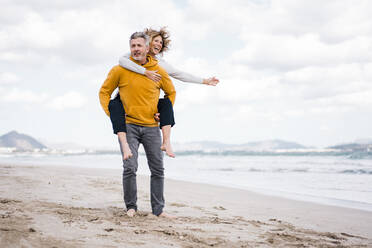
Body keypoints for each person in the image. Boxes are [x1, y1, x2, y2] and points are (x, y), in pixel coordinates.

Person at [110, 27, 219, 160]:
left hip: (147, 108)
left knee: (166, 103)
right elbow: (121, 61)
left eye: (161, 42)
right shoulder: (131, 57)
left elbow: (180, 74)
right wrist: (145, 72)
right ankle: (125, 145)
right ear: (147, 42)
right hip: (126, 102)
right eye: (155, 40)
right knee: (115, 104)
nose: (158, 44)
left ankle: (166, 142)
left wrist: (204, 81)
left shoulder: (160, 65)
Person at [99, 32, 176, 218]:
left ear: (147, 48)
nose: (135, 49)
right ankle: (131, 207)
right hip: (129, 126)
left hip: (151, 127)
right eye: (132, 46)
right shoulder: (119, 70)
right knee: (130, 168)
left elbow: (171, 92)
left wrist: (162, 113)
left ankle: (159, 210)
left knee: (158, 169)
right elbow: (104, 92)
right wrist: (113, 115)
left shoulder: (158, 70)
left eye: (139, 46)